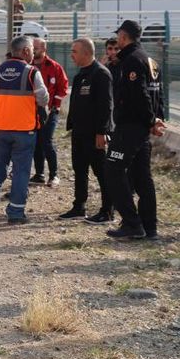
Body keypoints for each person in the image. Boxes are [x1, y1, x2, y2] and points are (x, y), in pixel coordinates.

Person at [0, 36, 48, 224]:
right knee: (21, 171)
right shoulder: (32, 72)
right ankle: (15, 213)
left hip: (0, 128)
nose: (33, 53)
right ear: (25, 51)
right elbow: (43, 98)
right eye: (32, 49)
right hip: (25, 130)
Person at [104, 20, 165, 240]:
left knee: (112, 169)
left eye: (118, 36)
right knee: (141, 177)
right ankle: (150, 227)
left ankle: (132, 223)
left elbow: (141, 95)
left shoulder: (132, 60)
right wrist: (157, 119)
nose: (117, 40)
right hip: (142, 128)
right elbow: (158, 93)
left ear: (123, 36)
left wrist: (151, 121)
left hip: (130, 126)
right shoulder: (150, 60)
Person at [61, 38, 114, 223]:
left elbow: (106, 105)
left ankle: (107, 210)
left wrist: (102, 132)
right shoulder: (80, 75)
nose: (71, 55)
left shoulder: (101, 74)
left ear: (86, 53)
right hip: (79, 132)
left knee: (101, 172)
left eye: (74, 51)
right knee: (80, 169)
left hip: (94, 133)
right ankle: (79, 207)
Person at [30, 38, 68, 187]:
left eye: (36, 48)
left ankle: (54, 175)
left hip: (50, 110)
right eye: (32, 47)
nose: (33, 50)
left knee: (47, 141)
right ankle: (39, 174)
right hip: (33, 111)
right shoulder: (29, 66)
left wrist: (55, 105)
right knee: (36, 142)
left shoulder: (54, 67)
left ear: (44, 49)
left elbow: (63, 87)